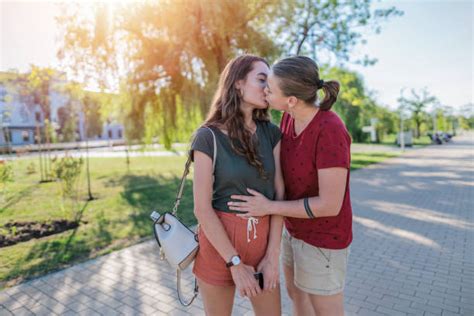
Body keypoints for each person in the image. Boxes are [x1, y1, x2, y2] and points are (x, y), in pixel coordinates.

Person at [228, 56, 352, 316]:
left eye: (270, 89)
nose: (265, 91)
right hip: (293, 233)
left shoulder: (330, 129)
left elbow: (330, 204)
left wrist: (269, 207)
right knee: (298, 297)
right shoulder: (287, 119)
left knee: (324, 309)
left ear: (291, 100)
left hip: (324, 241)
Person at [190, 54, 284, 316]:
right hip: (218, 250)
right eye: (261, 79)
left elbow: (280, 195)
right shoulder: (207, 136)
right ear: (238, 83)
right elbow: (201, 208)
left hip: (262, 247)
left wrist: (272, 256)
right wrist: (234, 262)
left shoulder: (272, 134)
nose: (268, 88)